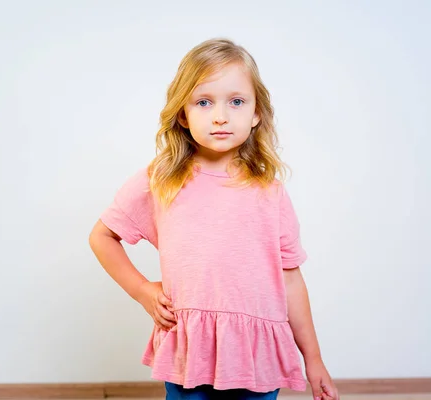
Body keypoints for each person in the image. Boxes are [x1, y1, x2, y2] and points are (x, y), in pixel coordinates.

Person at [89, 38, 339, 400]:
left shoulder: (270, 193)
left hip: (255, 354)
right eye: (204, 102)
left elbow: (291, 281)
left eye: (236, 101)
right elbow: (102, 236)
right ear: (183, 114)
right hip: (190, 351)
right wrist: (143, 291)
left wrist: (313, 360)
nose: (221, 115)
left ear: (256, 114)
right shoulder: (161, 179)